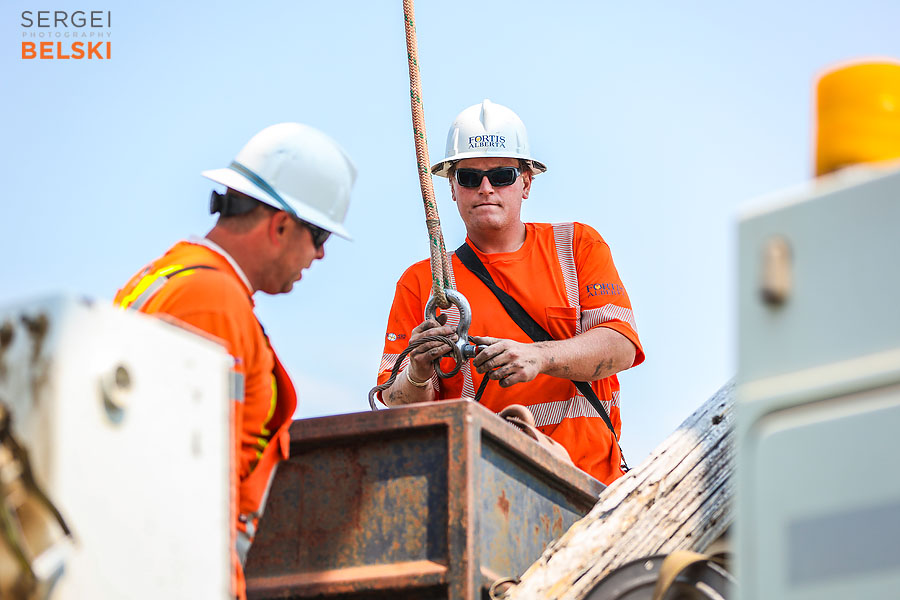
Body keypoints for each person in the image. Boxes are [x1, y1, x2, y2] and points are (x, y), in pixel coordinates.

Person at [114, 122, 356, 598]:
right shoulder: (211, 302)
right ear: (282, 224)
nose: (321, 256)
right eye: (320, 237)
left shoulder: (168, 278)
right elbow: (199, 484)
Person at [376, 100, 643, 485]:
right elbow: (395, 402)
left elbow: (621, 347)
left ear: (526, 183)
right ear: (452, 188)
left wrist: (538, 357)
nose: (485, 189)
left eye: (501, 175)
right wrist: (417, 369)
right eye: (469, 177)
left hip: (591, 485)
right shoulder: (426, 283)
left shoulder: (576, 246)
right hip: (484, 491)